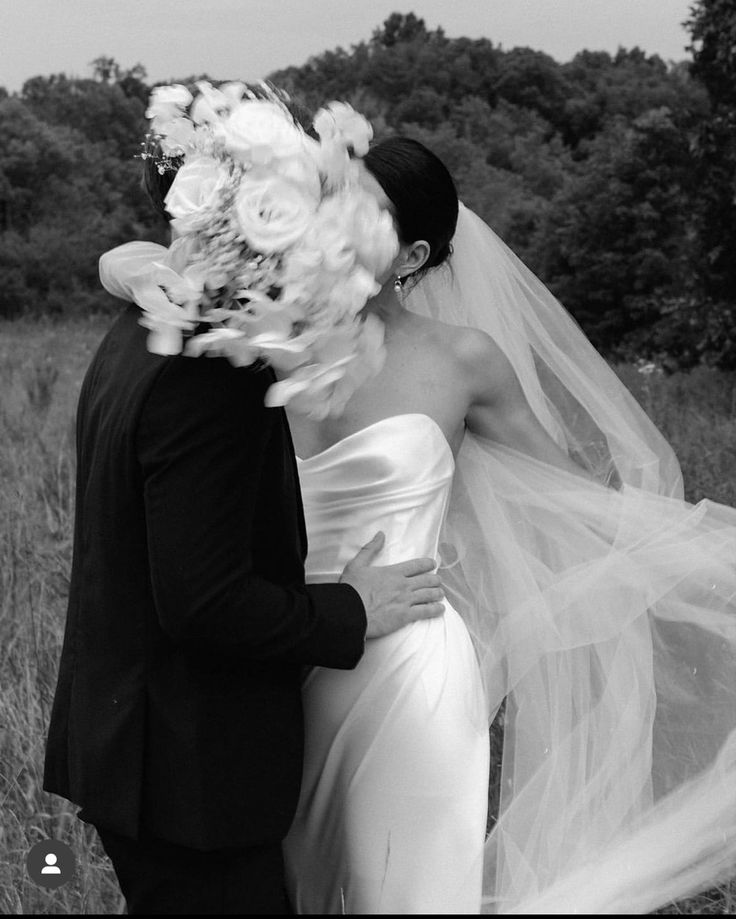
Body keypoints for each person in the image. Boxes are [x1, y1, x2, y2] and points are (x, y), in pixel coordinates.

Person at [100, 132, 736, 915]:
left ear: (411, 254)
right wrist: (134, 267)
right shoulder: (255, 334)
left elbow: (578, 500)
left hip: (405, 670)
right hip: (270, 661)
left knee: (401, 889)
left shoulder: (464, 361)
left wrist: (704, 553)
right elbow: (134, 256)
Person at [41, 122, 446, 914]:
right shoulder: (213, 372)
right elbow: (206, 601)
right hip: (190, 776)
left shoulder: (143, 328)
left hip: (146, 753)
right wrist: (354, 606)